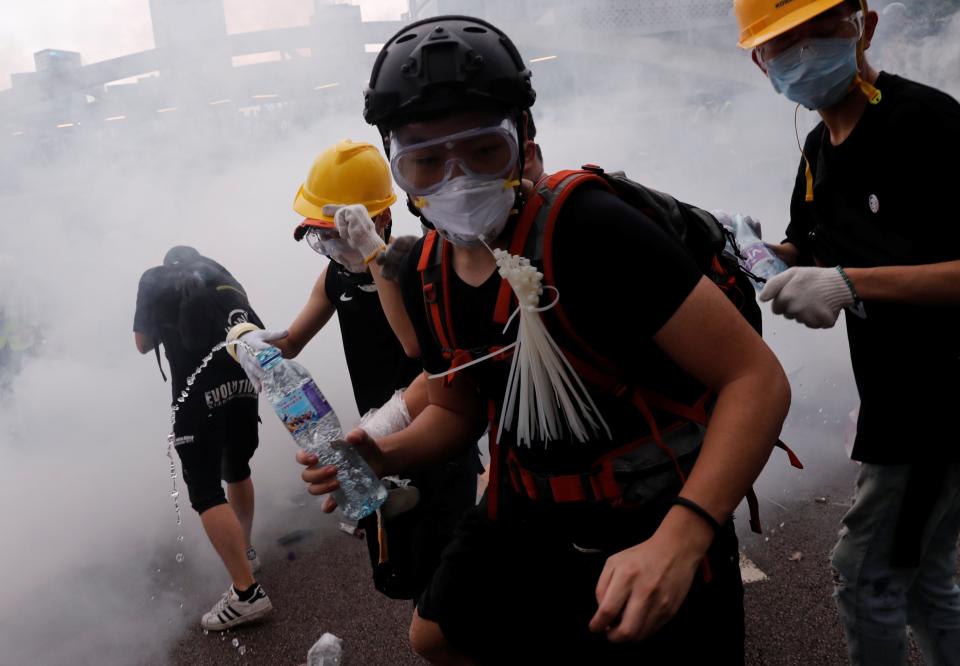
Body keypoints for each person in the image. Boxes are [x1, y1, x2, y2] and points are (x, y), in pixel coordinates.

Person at [300, 15, 791, 664]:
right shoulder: (431, 270)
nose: (457, 181)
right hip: (531, 501)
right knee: (438, 635)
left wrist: (686, 534)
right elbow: (456, 407)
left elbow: (754, 379)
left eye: (483, 151)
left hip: (649, 502)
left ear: (524, 140)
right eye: (425, 162)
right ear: (401, 174)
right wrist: (384, 456)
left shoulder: (591, 232)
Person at [734, 1, 960, 663]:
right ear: (759, 60)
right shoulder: (816, 149)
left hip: (941, 400)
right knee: (922, 581)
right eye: (783, 45)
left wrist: (853, 283)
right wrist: (753, 253)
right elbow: (810, 245)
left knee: (867, 574)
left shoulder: (926, 122)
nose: (803, 55)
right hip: (896, 397)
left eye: (821, 33)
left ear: (865, 25)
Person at [230, 140, 479, 601]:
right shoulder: (334, 275)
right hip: (371, 445)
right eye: (318, 235)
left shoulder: (416, 259)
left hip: (432, 437)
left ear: (378, 218)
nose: (328, 246)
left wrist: (372, 253)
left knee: (449, 579)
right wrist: (246, 338)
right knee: (398, 575)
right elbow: (291, 342)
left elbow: (412, 343)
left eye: (337, 233)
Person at [133, 246, 273, 631]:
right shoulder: (222, 274)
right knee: (238, 468)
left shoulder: (155, 279)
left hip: (197, 395)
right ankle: (245, 551)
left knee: (205, 491)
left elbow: (142, 343)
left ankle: (247, 594)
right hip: (243, 385)